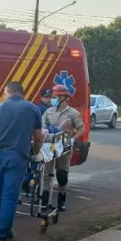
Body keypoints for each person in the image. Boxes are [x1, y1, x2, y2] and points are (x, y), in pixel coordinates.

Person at [0, 81, 44, 241]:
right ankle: (2, 237)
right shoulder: (33, 109)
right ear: (22, 93)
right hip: (16, 155)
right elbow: (38, 137)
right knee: (10, 196)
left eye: (5, 93)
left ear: (8, 92)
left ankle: (4, 226)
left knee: (0, 193)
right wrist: (35, 153)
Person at [42, 84, 86, 212]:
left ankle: (61, 202)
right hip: (50, 146)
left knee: (62, 175)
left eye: (55, 97)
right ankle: (45, 202)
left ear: (63, 97)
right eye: (52, 97)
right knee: (46, 175)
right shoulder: (48, 112)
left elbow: (81, 129)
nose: (52, 99)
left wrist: (73, 139)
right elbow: (42, 126)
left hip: (65, 147)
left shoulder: (73, 113)